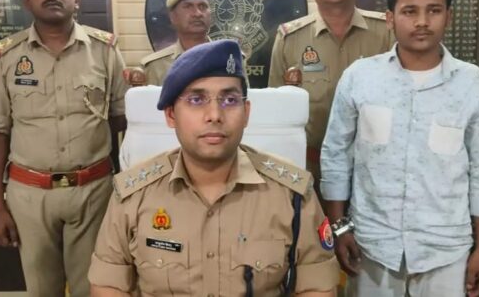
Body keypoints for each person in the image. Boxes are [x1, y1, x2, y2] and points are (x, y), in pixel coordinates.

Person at [88, 40, 340, 296]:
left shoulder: (292, 194)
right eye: (196, 99)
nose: (215, 115)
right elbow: (109, 284)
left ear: (246, 112)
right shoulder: (133, 195)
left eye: (229, 100)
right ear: (171, 115)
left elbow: (317, 287)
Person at [320, 0, 479, 297]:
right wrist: (340, 228)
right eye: (409, 11)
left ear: (448, 16)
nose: (422, 22)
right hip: (371, 247)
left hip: (446, 251)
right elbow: (336, 157)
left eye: (433, 10)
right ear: (390, 18)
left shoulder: (471, 83)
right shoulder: (360, 78)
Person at [0, 0, 128, 297]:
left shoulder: (105, 51)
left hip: (93, 192)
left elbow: (122, 122)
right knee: (41, 290)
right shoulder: (5, 57)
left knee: (94, 287)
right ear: (26, 0)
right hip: (30, 196)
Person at [268, 0, 392, 189]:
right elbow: (277, 118)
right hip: (309, 173)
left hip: (376, 172)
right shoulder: (290, 39)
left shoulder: (386, 34)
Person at [140, 0, 212, 85]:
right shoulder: (156, 67)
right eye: (188, 6)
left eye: (203, 6)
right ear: (173, 16)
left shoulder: (229, 59)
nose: (198, 13)